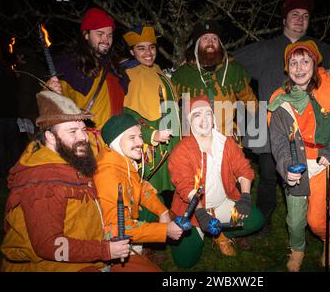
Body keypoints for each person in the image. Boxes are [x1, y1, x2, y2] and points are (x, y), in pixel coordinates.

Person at [233, 0, 330, 232]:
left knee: (311, 177)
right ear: (284, 19)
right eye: (294, 15)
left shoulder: (321, 50)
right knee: (269, 176)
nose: (300, 20)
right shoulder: (264, 49)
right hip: (271, 125)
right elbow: (231, 66)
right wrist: (249, 99)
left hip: (309, 126)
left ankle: (316, 222)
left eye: (305, 16)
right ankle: (262, 222)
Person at [0, 90, 132, 272]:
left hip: (86, 253)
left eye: (83, 130)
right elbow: (49, 245)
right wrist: (105, 250)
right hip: (49, 265)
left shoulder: (65, 154)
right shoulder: (43, 183)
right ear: (50, 137)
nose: (83, 137)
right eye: (73, 131)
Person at [268, 40, 330, 271]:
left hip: (324, 163)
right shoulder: (280, 99)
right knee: (295, 221)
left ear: (314, 63)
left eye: (304, 61)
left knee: (316, 220)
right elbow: (278, 142)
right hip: (296, 165)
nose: (299, 68)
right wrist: (286, 167)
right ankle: (297, 250)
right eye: (293, 62)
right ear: (287, 68)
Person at [168, 95, 264, 268]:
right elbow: (185, 186)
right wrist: (200, 213)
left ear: (213, 117)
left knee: (255, 220)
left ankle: (222, 235)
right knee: (184, 261)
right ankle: (200, 233)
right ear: (190, 121)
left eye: (208, 113)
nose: (204, 120)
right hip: (193, 212)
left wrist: (245, 197)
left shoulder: (226, 143)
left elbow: (244, 169)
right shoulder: (181, 150)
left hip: (222, 204)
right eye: (197, 115)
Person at [93, 113, 183, 271]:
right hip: (110, 239)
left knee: (159, 201)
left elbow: (141, 188)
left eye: (140, 136)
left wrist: (162, 212)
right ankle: (127, 259)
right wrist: (164, 230)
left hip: (129, 218)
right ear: (116, 141)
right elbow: (118, 228)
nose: (141, 142)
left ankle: (138, 251)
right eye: (132, 137)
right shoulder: (108, 175)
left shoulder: (123, 161)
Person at [51, 7, 128, 153]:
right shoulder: (68, 66)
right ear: (86, 35)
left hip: (113, 143)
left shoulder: (115, 68)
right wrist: (50, 91)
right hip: (83, 143)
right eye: (100, 34)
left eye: (109, 35)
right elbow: (53, 108)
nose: (106, 40)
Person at [121, 25, 181, 208]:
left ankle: (176, 230)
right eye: (141, 48)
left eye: (152, 47)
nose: (148, 53)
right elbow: (130, 115)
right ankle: (157, 233)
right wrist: (152, 135)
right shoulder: (130, 75)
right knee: (153, 195)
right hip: (153, 148)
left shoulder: (157, 69)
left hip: (173, 140)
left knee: (176, 189)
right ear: (132, 51)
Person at [171, 19, 258, 140]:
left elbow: (250, 101)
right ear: (197, 44)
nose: (210, 42)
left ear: (220, 44)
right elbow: (169, 101)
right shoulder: (183, 73)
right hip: (194, 139)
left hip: (227, 137)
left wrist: (264, 122)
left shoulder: (233, 70)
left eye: (214, 38)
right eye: (205, 38)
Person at [0, 40, 21, 176]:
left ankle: (1, 169)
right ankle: (17, 168)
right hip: (11, 111)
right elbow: (15, 88)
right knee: (13, 142)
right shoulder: (7, 68)